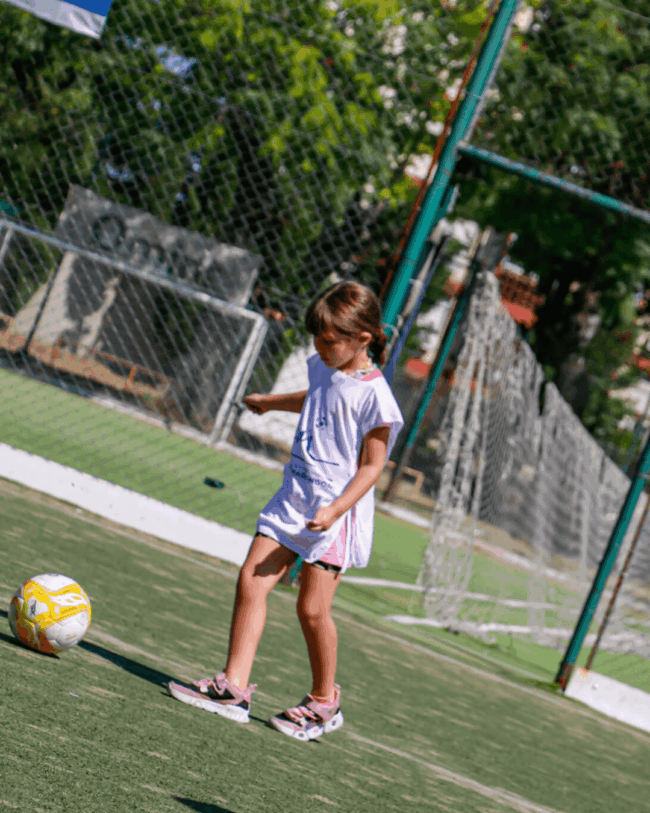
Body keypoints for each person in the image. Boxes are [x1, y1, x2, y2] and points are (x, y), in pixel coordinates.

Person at [167, 281, 404, 741]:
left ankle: (323, 703)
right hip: (293, 497)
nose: (319, 346)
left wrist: (335, 509)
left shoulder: (378, 398)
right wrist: (269, 401)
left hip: (334, 516)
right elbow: (317, 398)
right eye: (316, 337)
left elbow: (373, 466)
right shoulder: (323, 364)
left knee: (312, 611)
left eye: (330, 339)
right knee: (251, 578)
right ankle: (232, 689)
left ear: (363, 339)